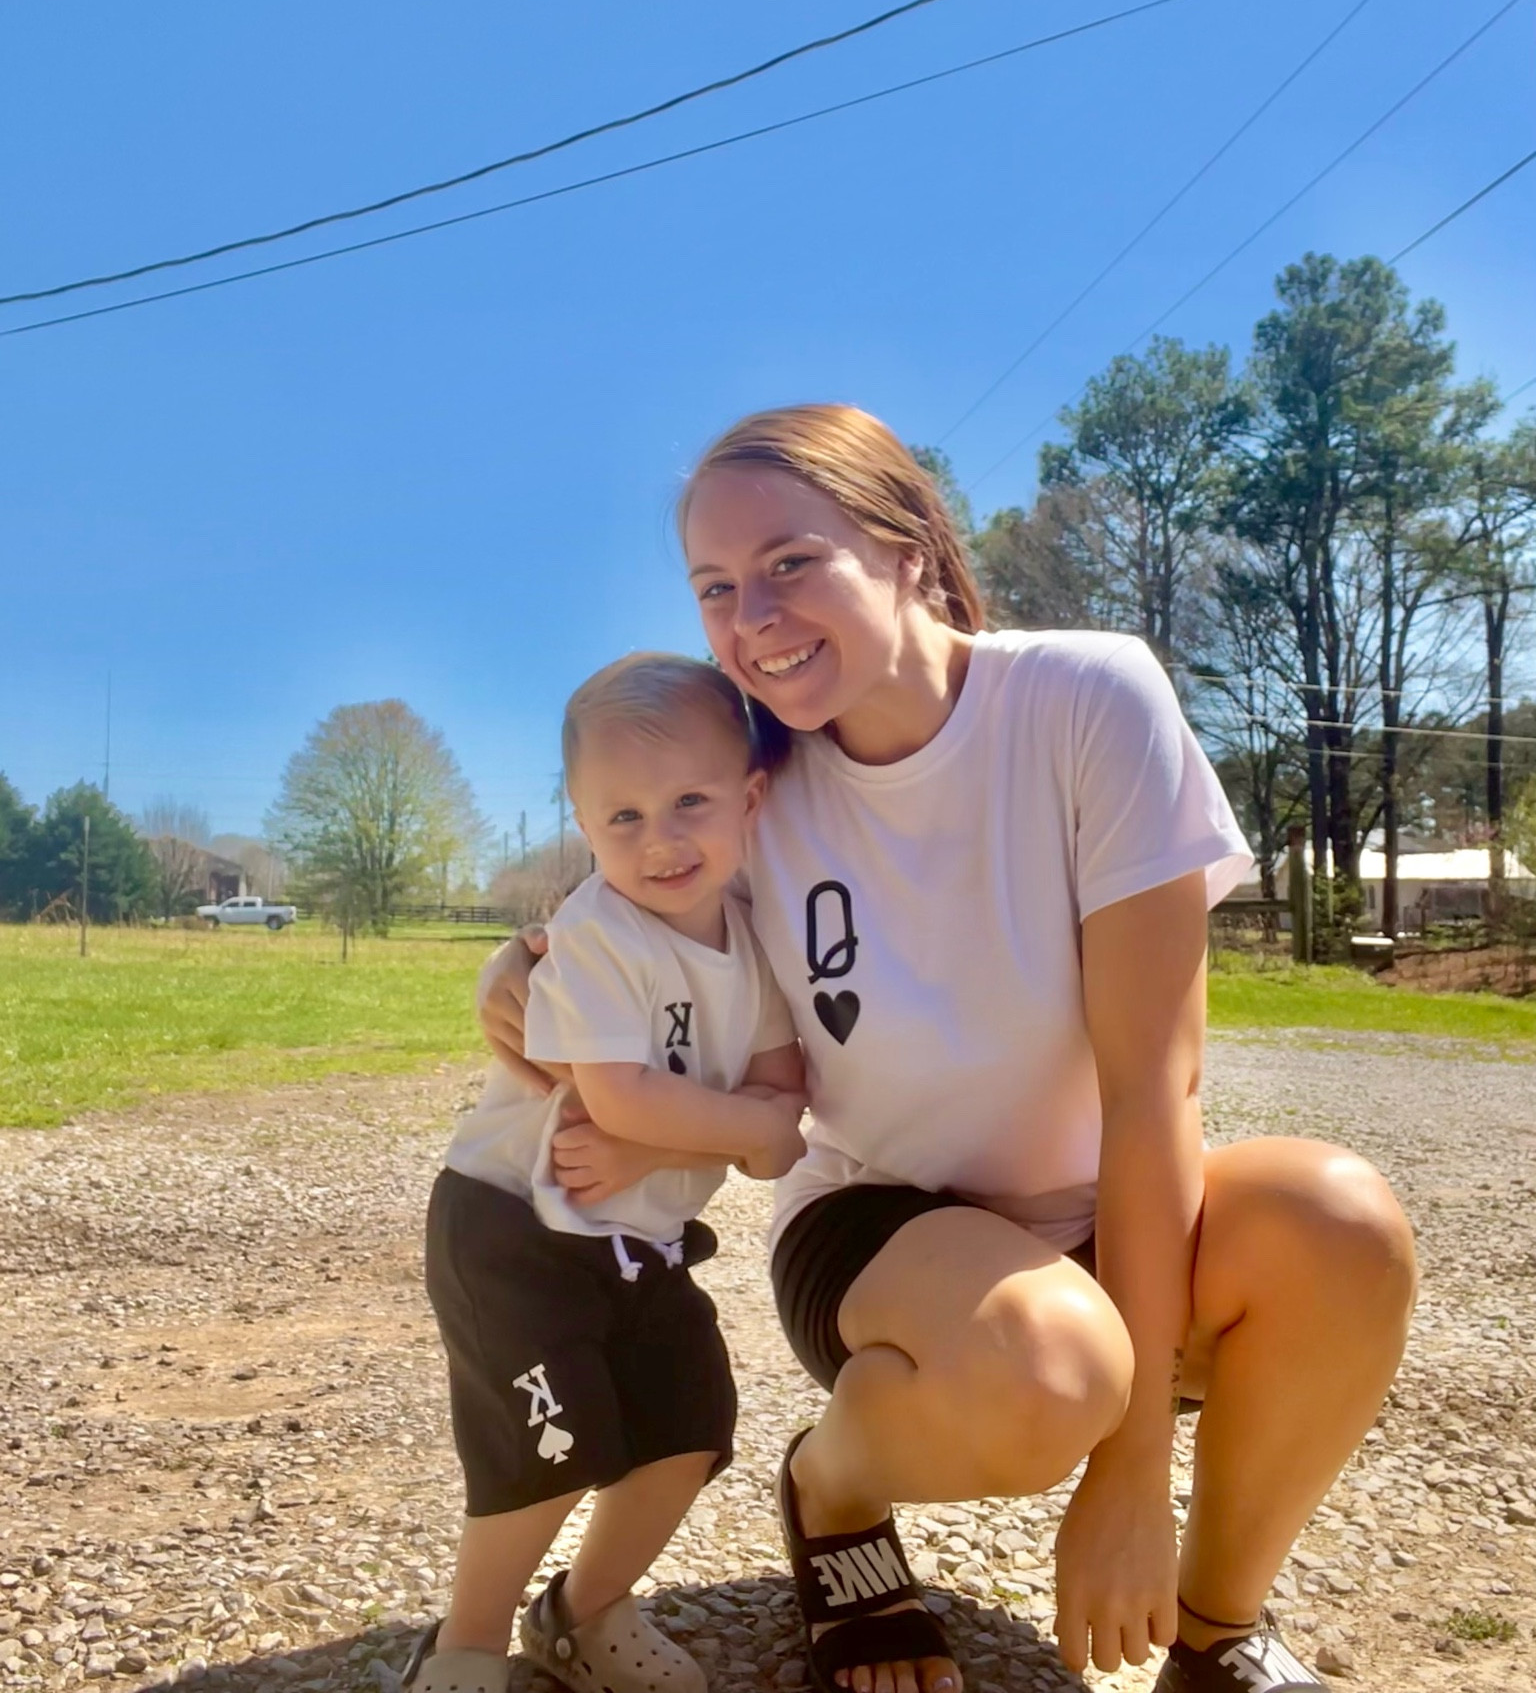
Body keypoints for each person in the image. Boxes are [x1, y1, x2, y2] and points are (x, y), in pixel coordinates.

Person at [476, 405, 1418, 1693]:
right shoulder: (755, 778)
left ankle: (1217, 1633)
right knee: (1051, 1367)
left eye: (789, 563)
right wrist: (521, 965)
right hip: (879, 1226)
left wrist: (1137, 1464)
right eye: (715, 587)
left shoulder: (1089, 698)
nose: (752, 614)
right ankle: (834, 1487)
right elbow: (628, 887)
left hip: (1099, 1212)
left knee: (1339, 1218)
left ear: (909, 547)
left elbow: (1156, 1088)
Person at [409, 653, 806, 1693]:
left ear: (749, 799)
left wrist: (717, 1134)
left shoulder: (753, 941)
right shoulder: (595, 933)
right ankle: (464, 1644)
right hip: (513, 1228)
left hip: (638, 1239)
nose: (661, 838)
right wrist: (740, 1135)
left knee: (689, 1427)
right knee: (550, 1446)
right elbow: (629, 1102)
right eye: (621, 816)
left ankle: (580, 1614)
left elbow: (782, 1082)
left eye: (689, 802)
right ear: (584, 827)